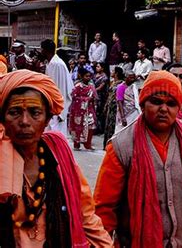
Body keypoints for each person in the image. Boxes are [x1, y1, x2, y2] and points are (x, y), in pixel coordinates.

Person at [93, 71, 182, 247]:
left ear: (178, 108)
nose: (164, 109)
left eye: (171, 104)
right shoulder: (121, 146)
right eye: (156, 102)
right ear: (143, 104)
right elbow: (104, 208)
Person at [0, 70, 113, 247]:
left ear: (48, 119)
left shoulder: (57, 152)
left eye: (35, 112)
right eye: (14, 112)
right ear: (2, 119)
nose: (24, 121)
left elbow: (85, 213)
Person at [40, 39, 74, 136]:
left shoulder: (57, 64)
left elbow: (60, 88)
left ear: (46, 50)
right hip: (51, 107)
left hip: (57, 109)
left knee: (55, 135)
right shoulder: (50, 63)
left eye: (41, 49)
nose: (40, 51)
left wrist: (60, 111)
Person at [69, 68, 97, 151]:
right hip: (78, 111)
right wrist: (86, 99)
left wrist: (92, 100)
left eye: (89, 76)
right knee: (78, 126)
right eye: (86, 76)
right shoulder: (77, 86)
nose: (88, 78)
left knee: (91, 126)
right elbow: (74, 97)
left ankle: (88, 144)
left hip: (89, 110)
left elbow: (95, 97)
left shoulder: (91, 87)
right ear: (81, 76)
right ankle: (77, 144)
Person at [103, 67, 124, 149]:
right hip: (110, 105)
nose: (111, 72)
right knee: (108, 124)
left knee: (113, 124)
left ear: (116, 73)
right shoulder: (113, 82)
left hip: (116, 106)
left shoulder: (121, 83)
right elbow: (109, 95)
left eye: (113, 71)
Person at [94, 62, 109, 134]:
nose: (97, 68)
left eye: (98, 66)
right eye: (96, 66)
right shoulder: (95, 75)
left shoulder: (104, 77)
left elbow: (100, 88)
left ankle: (100, 129)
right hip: (95, 95)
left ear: (102, 68)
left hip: (101, 97)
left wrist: (91, 89)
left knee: (100, 113)